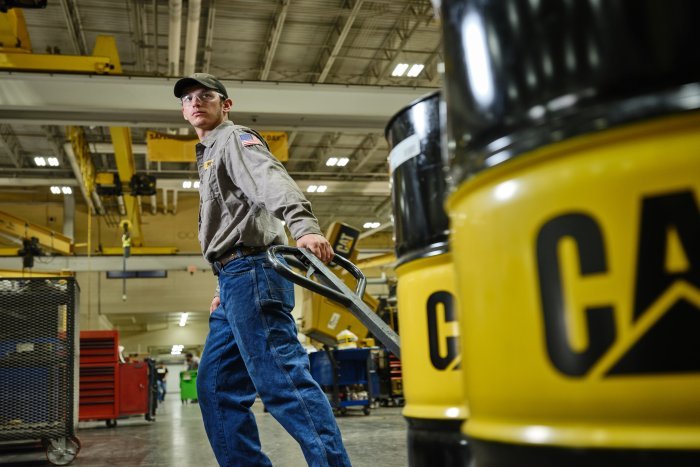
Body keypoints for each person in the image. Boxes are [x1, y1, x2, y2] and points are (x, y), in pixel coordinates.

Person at [173, 73, 351, 467]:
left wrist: (303, 227)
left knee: (283, 383)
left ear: (226, 104)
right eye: (188, 99)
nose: (196, 103)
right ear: (183, 111)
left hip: (253, 272)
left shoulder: (234, 139)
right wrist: (223, 280)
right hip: (234, 281)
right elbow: (231, 221)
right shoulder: (208, 155)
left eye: (206, 96)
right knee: (215, 387)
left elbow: (270, 179)